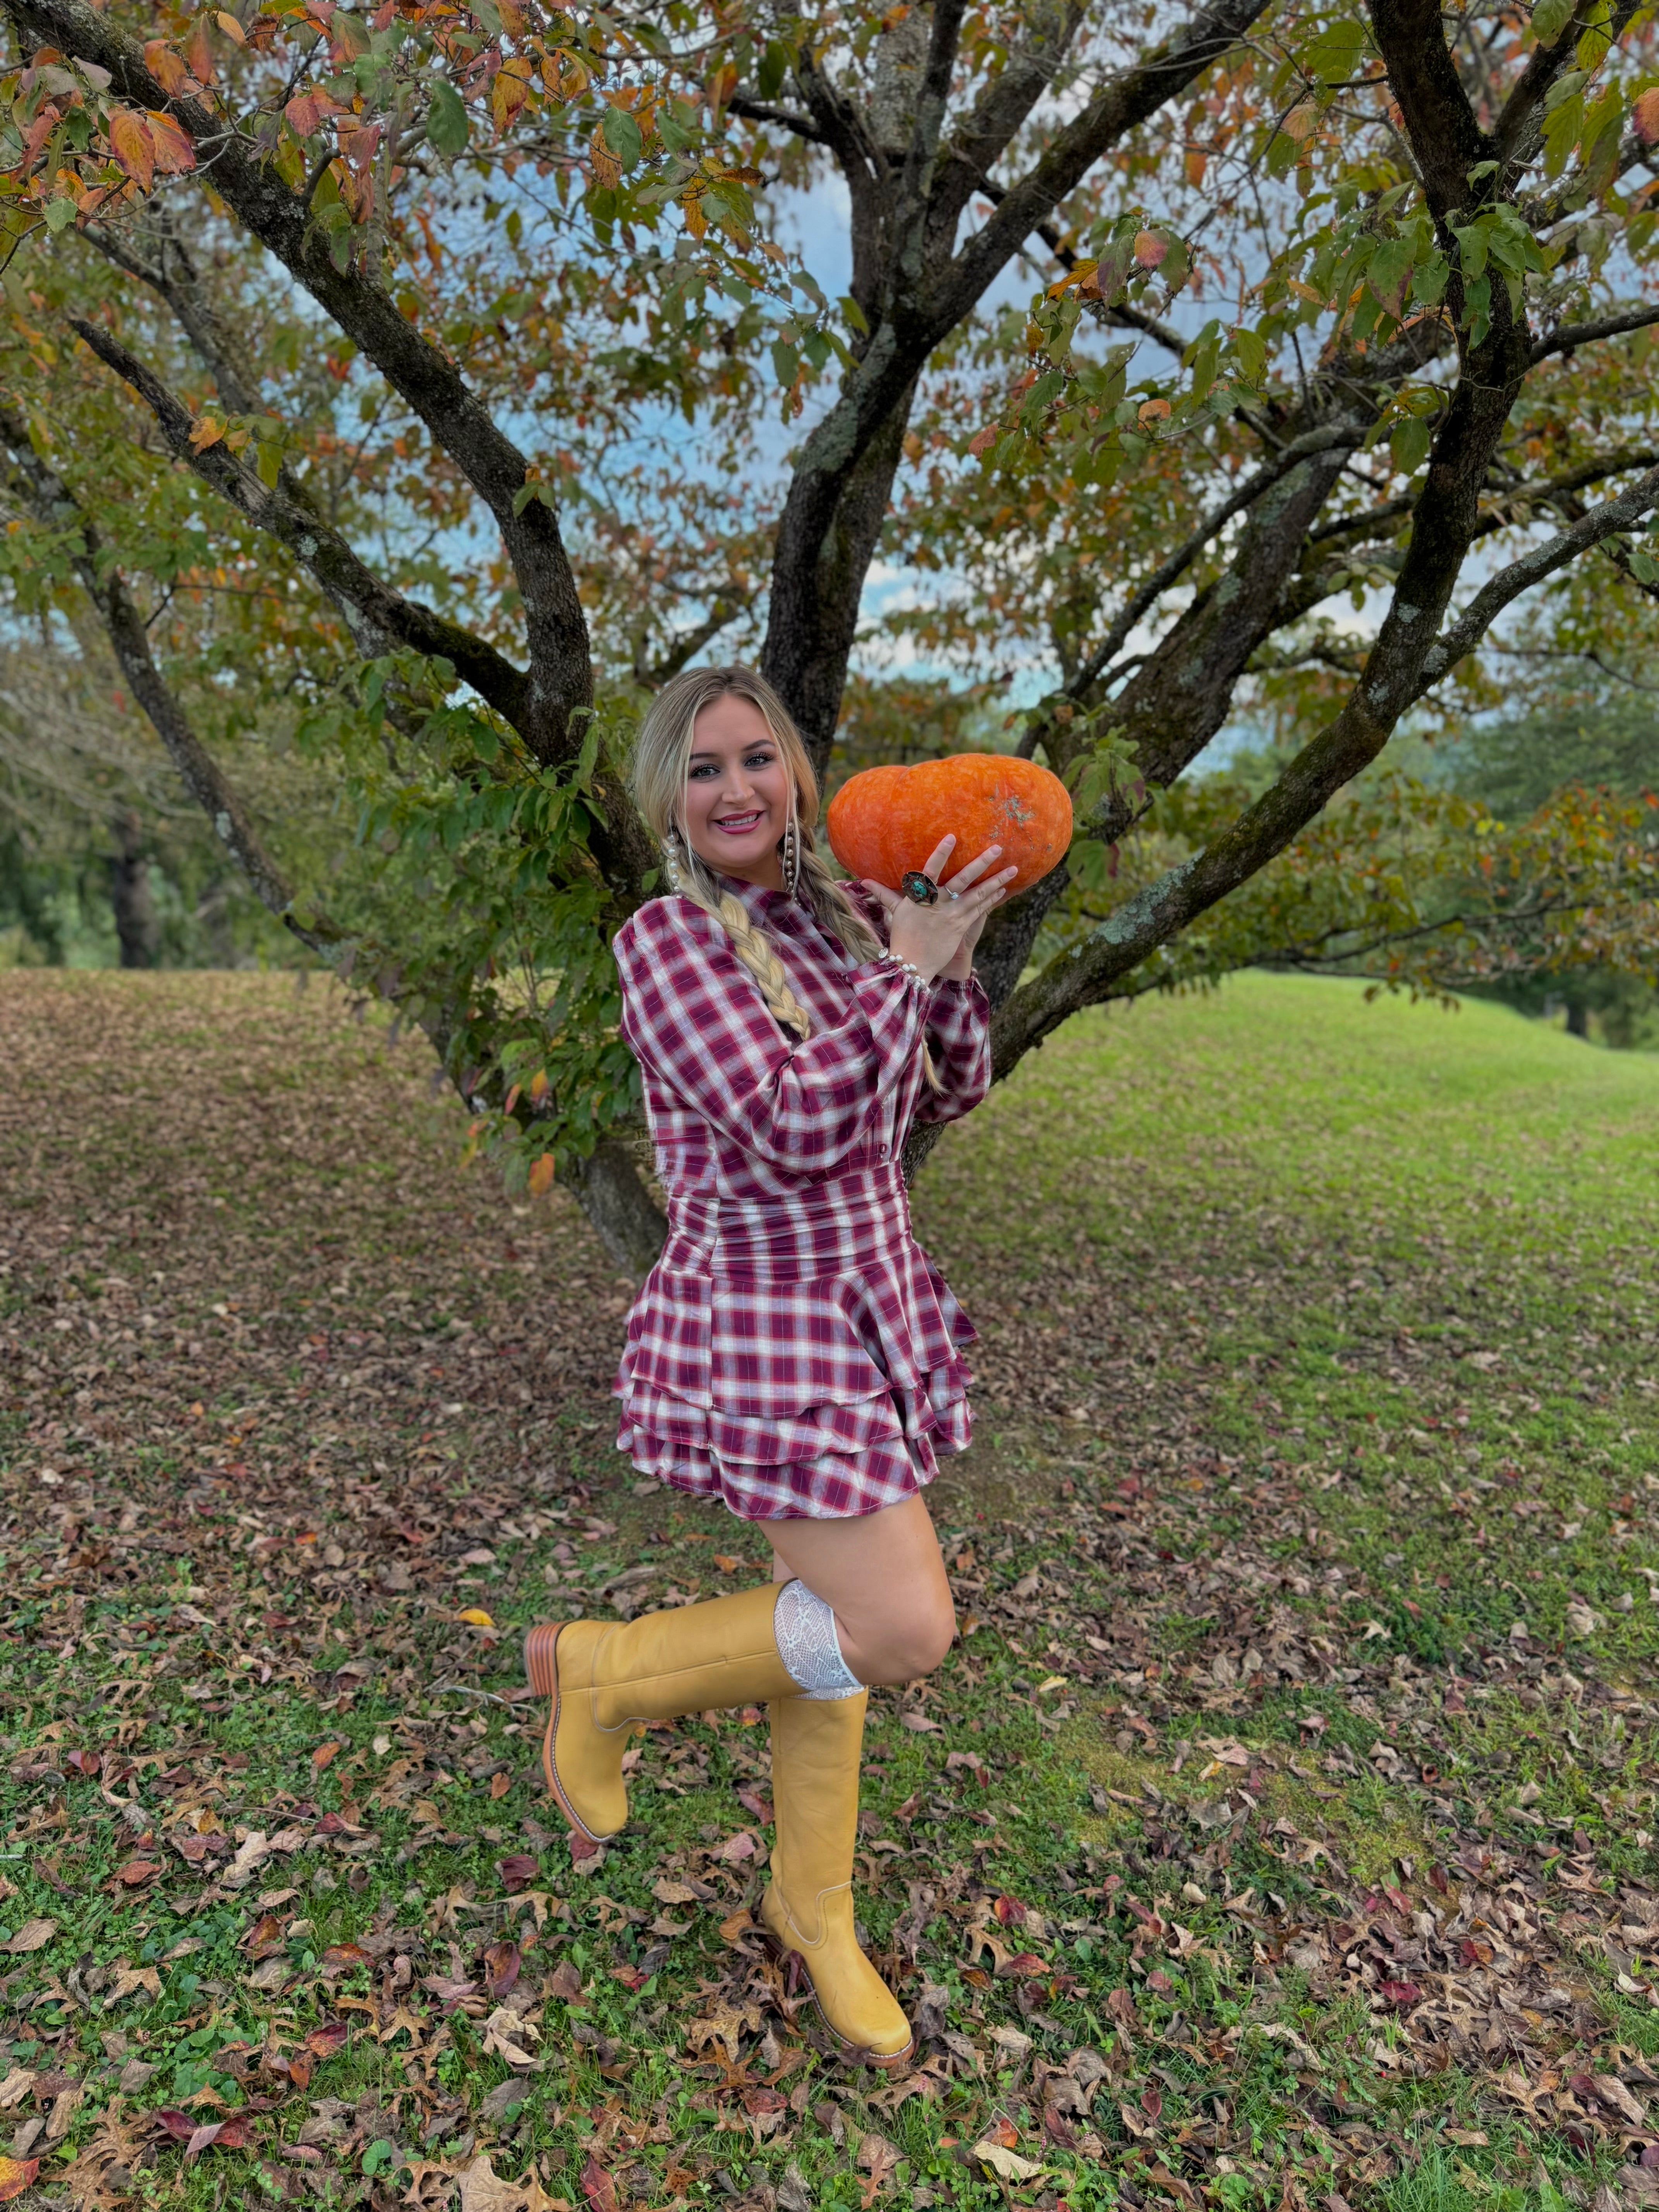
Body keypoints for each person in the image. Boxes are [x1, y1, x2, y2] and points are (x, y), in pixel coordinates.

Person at [522, 665, 1016, 2069]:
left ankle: (814, 1906)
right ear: (665, 798)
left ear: (794, 776)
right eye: (702, 768)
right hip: (764, 1324)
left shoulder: (829, 916)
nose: (737, 789)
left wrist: (942, 951)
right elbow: (794, 1123)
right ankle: (607, 1678)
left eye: (758, 759)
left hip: (867, 1298)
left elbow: (949, 1079)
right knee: (901, 1628)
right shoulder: (665, 946)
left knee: (828, 1620)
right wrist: (905, 975)